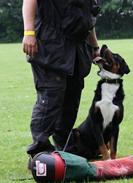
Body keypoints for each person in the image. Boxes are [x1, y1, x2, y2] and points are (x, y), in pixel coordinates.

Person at [22, 0, 100, 157]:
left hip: (77, 48)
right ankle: (39, 152)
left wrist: (94, 46)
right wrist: (29, 32)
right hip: (49, 44)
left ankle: (65, 149)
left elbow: (87, 18)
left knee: (71, 100)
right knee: (50, 98)